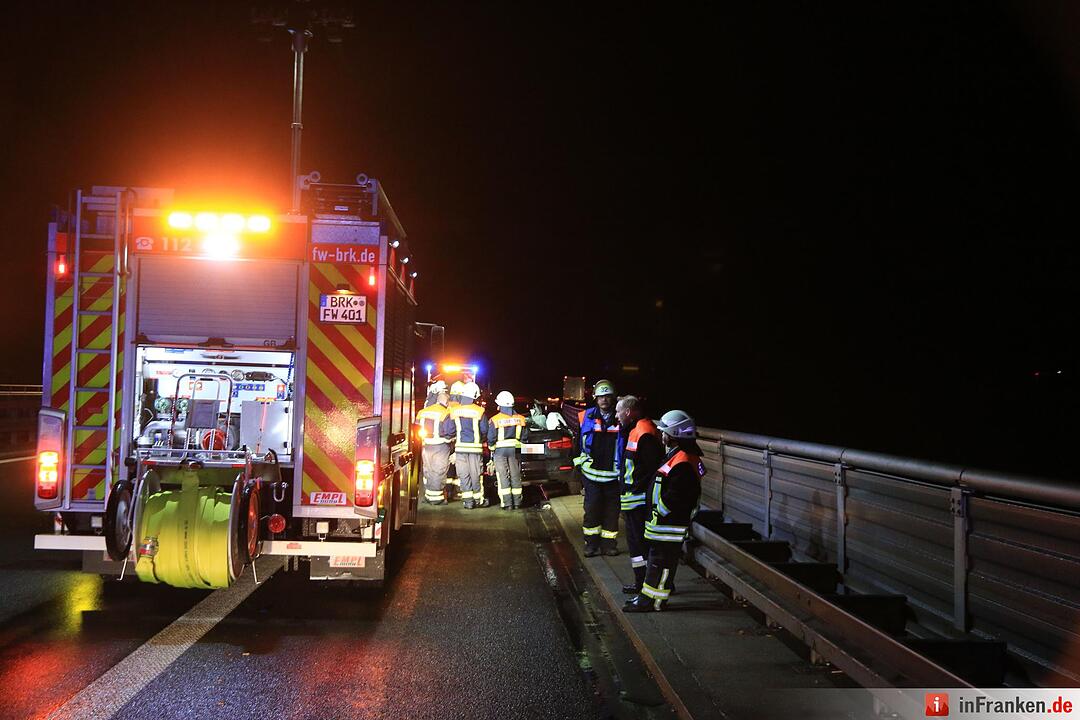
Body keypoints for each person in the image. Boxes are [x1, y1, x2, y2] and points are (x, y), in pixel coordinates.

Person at [624, 409, 706, 613]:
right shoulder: (678, 456)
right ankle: (647, 597)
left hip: (668, 525)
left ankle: (653, 602)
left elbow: (675, 497)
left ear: (674, 435)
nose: (661, 436)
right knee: (657, 563)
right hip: (663, 524)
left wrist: (658, 513)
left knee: (662, 564)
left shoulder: (683, 462)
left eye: (664, 432)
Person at [616, 395, 664, 595]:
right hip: (632, 500)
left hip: (638, 501)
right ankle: (641, 582)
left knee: (642, 545)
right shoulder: (636, 430)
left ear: (628, 412)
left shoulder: (644, 432)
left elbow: (652, 469)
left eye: (619, 412)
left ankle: (650, 583)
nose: (616, 416)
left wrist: (640, 493)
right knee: (636, 546)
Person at [573, 379, 623, 556]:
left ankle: (609, 545)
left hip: (613, 476)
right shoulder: (586, 416)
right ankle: (591, 545)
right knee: (592, 510)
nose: (604, 400)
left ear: (613, 398)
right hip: (591, 475)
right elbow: (577, 443)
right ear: (595, 398)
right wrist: (578, 465)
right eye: (601, 397)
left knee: (612, 512)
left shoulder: (621, 418)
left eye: (608, 397)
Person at [450, 381, 490, 509]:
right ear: (474, 396)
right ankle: (478, 500)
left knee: (464, 475)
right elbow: (484, 430)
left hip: (460, 449)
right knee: (475, 475)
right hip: (475, 449)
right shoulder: (480, 411)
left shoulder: (455, 411)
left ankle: (468, 502)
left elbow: (451, 430)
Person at [416, 385, 455, 504]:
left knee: (428, 470)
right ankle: (436, 499)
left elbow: (415, 426)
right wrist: (452, 440)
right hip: (441, 446)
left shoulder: (422, 412)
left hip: (426, 445)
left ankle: (428, 495)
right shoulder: (446, 412)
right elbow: (449, 431)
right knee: (439, 471)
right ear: (447, 402)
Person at [488, 390, 526, 509]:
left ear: (500, 404)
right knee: (515, 475)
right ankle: (517, 502)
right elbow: (525, 437)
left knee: (503, 476)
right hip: (515, 450)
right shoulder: (521, 418)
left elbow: (491, 438)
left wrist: (491, 447)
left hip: (500, 451)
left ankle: (507, 503)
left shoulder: (495, 419)